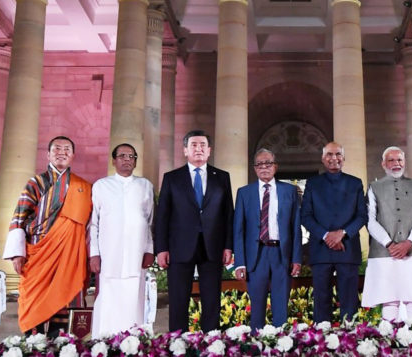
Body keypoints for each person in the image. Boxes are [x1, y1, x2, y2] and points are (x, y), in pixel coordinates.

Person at [2, 136, 93, 336]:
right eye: (57, 148)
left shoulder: (84, 187)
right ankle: (33, 345)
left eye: (67, 149)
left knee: (66, 300)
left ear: (73, 155)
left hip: (70, 255)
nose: (62, 152)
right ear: (48, 154)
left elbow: (90, 226)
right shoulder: (35, 183)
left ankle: (62, 344)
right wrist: (17, 254)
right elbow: (19, 217)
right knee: (35, 300)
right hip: (39, 253)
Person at [154, 129, 234, 332]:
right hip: (179, 247)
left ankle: (211, 342)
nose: (198, 149)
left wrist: (228, 246)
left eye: (202, 145)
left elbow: (228, 215)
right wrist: (161, 249)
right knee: (178, 300)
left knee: (212, 300)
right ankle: (177, 343)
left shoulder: (222, 177)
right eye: (194, 145)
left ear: (209, 150)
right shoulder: (172, 178)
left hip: (212, 247)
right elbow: (163, 216)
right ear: (185, 150)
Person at [362, 146, 412, 322]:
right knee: (389, 300)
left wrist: (409, 242)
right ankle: (389, 338)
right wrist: (389, 243)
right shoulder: (374, 187)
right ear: (383, 164)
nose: (396, 163)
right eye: (391, 160)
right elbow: (369, 219)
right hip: (384, 253)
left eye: (399, 160)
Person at [89, 143, 155, 338]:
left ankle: (134, 342)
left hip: (136, 255)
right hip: (109, 255)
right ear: (113, 160)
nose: (127, 159)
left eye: (131, 156)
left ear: (135, 161)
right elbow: (94, 223)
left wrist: (149, 249)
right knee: (108, 300)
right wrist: (94, 253)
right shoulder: (101, 186)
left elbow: (150, 221)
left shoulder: (145, 186)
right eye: (122, 156)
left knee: (135, 299)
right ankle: (103, 341)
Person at [233, 148, 302, 330]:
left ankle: (281, 342)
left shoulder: (289, 191)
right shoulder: (244, 193)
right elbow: (238, 230)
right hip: (256, 256)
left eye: (268, 163)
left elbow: (295, 227)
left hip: (282, 254)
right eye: (260, 164)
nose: (264, 167)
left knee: (281, 308)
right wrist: (239, 263)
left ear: (275, 166)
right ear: (255, 168)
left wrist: (296, 258)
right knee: (257, 309)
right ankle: (257, 342)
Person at [301, 142, 368, 323]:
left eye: (338, 154)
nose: (334, 158)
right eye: (329, 154)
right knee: (321, 300)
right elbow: (305, 216)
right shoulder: (313, 183)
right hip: (321, 249)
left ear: (343, 158)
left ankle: (350, 337)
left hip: (347, 248)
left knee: (349, 301)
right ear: (323, 159)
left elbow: (362, 216)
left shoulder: (355, 183)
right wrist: (326, 235)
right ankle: (321, 337)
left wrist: (342, 234)